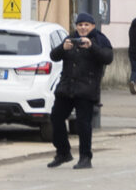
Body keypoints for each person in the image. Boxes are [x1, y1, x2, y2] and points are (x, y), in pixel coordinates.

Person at [47, 13, 114, 169]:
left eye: (86, 25)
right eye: (80, 25)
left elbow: (108, 57)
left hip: (86, 89)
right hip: (66, 88)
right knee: (56, 117)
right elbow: (53, 56)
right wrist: (63, 48)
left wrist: (92, 46)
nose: (83, 28)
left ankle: (85, 157)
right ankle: (63, 152)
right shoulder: (70, 38)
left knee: (83, 124)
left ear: (92, 26)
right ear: (76, 26)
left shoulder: (99, 39)